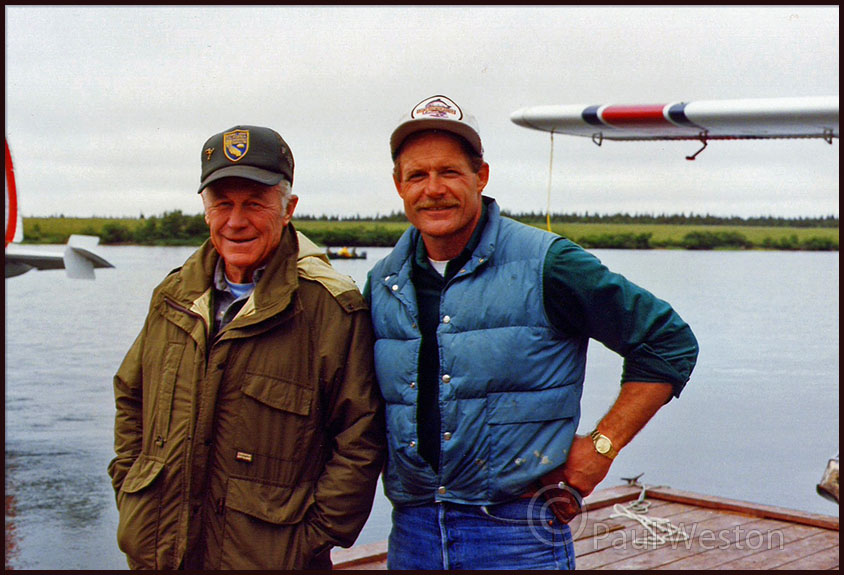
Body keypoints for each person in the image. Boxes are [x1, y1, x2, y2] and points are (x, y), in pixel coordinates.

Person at [365, 95, 699, 570]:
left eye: (450, 172)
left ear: (481, 177)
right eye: (418, 175)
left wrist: (602, 446)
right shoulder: (382, 282)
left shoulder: (549, 264)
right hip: (414, 531)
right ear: (399, 185)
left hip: (518, 532)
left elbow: (668, 342)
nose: (433, 189)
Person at [108, 125, 385, 570]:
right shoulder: (172, 296)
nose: (236, 221)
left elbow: (360, 439)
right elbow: (131, 396)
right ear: (205, 211)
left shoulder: (331, 309)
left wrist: (310, 541)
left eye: (254, 204)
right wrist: (131, 490)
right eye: (222, 204)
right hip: (161, 556)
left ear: (288, 208)